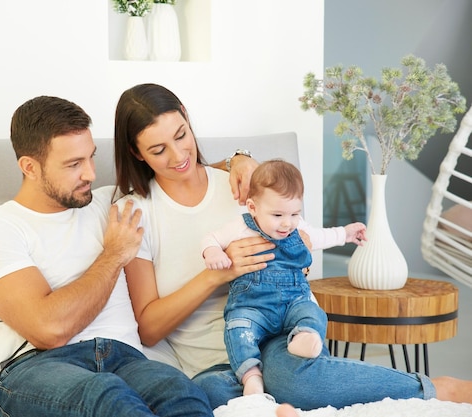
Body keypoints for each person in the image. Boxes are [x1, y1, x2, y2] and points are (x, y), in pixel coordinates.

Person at [112, 82, 472, 411]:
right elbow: (149, 327)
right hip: (212, 364)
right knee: (214, 395)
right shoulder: (136, 214)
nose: (178, 156)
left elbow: (297, 241)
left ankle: (438, 389)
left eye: (181, 135)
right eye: (159, 149)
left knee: (292, 377)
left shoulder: (244, 185)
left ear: (188, 120)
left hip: (280, 337)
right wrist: (216, 275)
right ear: (137, 153)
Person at [0, 95, 216, 417]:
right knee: (107, 395)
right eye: (73, 164)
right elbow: (49, 329)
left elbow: (185, 174)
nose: (91, 174)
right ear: (29, 167)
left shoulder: (109, 203)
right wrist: (113, 255)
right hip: (42, 368)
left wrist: (240, 161)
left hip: (126, 359)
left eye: (91, 157)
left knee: (181, 392)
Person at [201, 159, 366, 397]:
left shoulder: (296, 230)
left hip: (293, 301)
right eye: (277, 214)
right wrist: (214, 252)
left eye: (294, 214)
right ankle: (251, 377)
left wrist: (345, 233)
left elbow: (319, 236)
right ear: (253, 207)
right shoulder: (240, 227)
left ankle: (305, 336)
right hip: (253, 306)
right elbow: (210, 238)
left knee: (312, 312)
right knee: (238, 328)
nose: (287, 223)